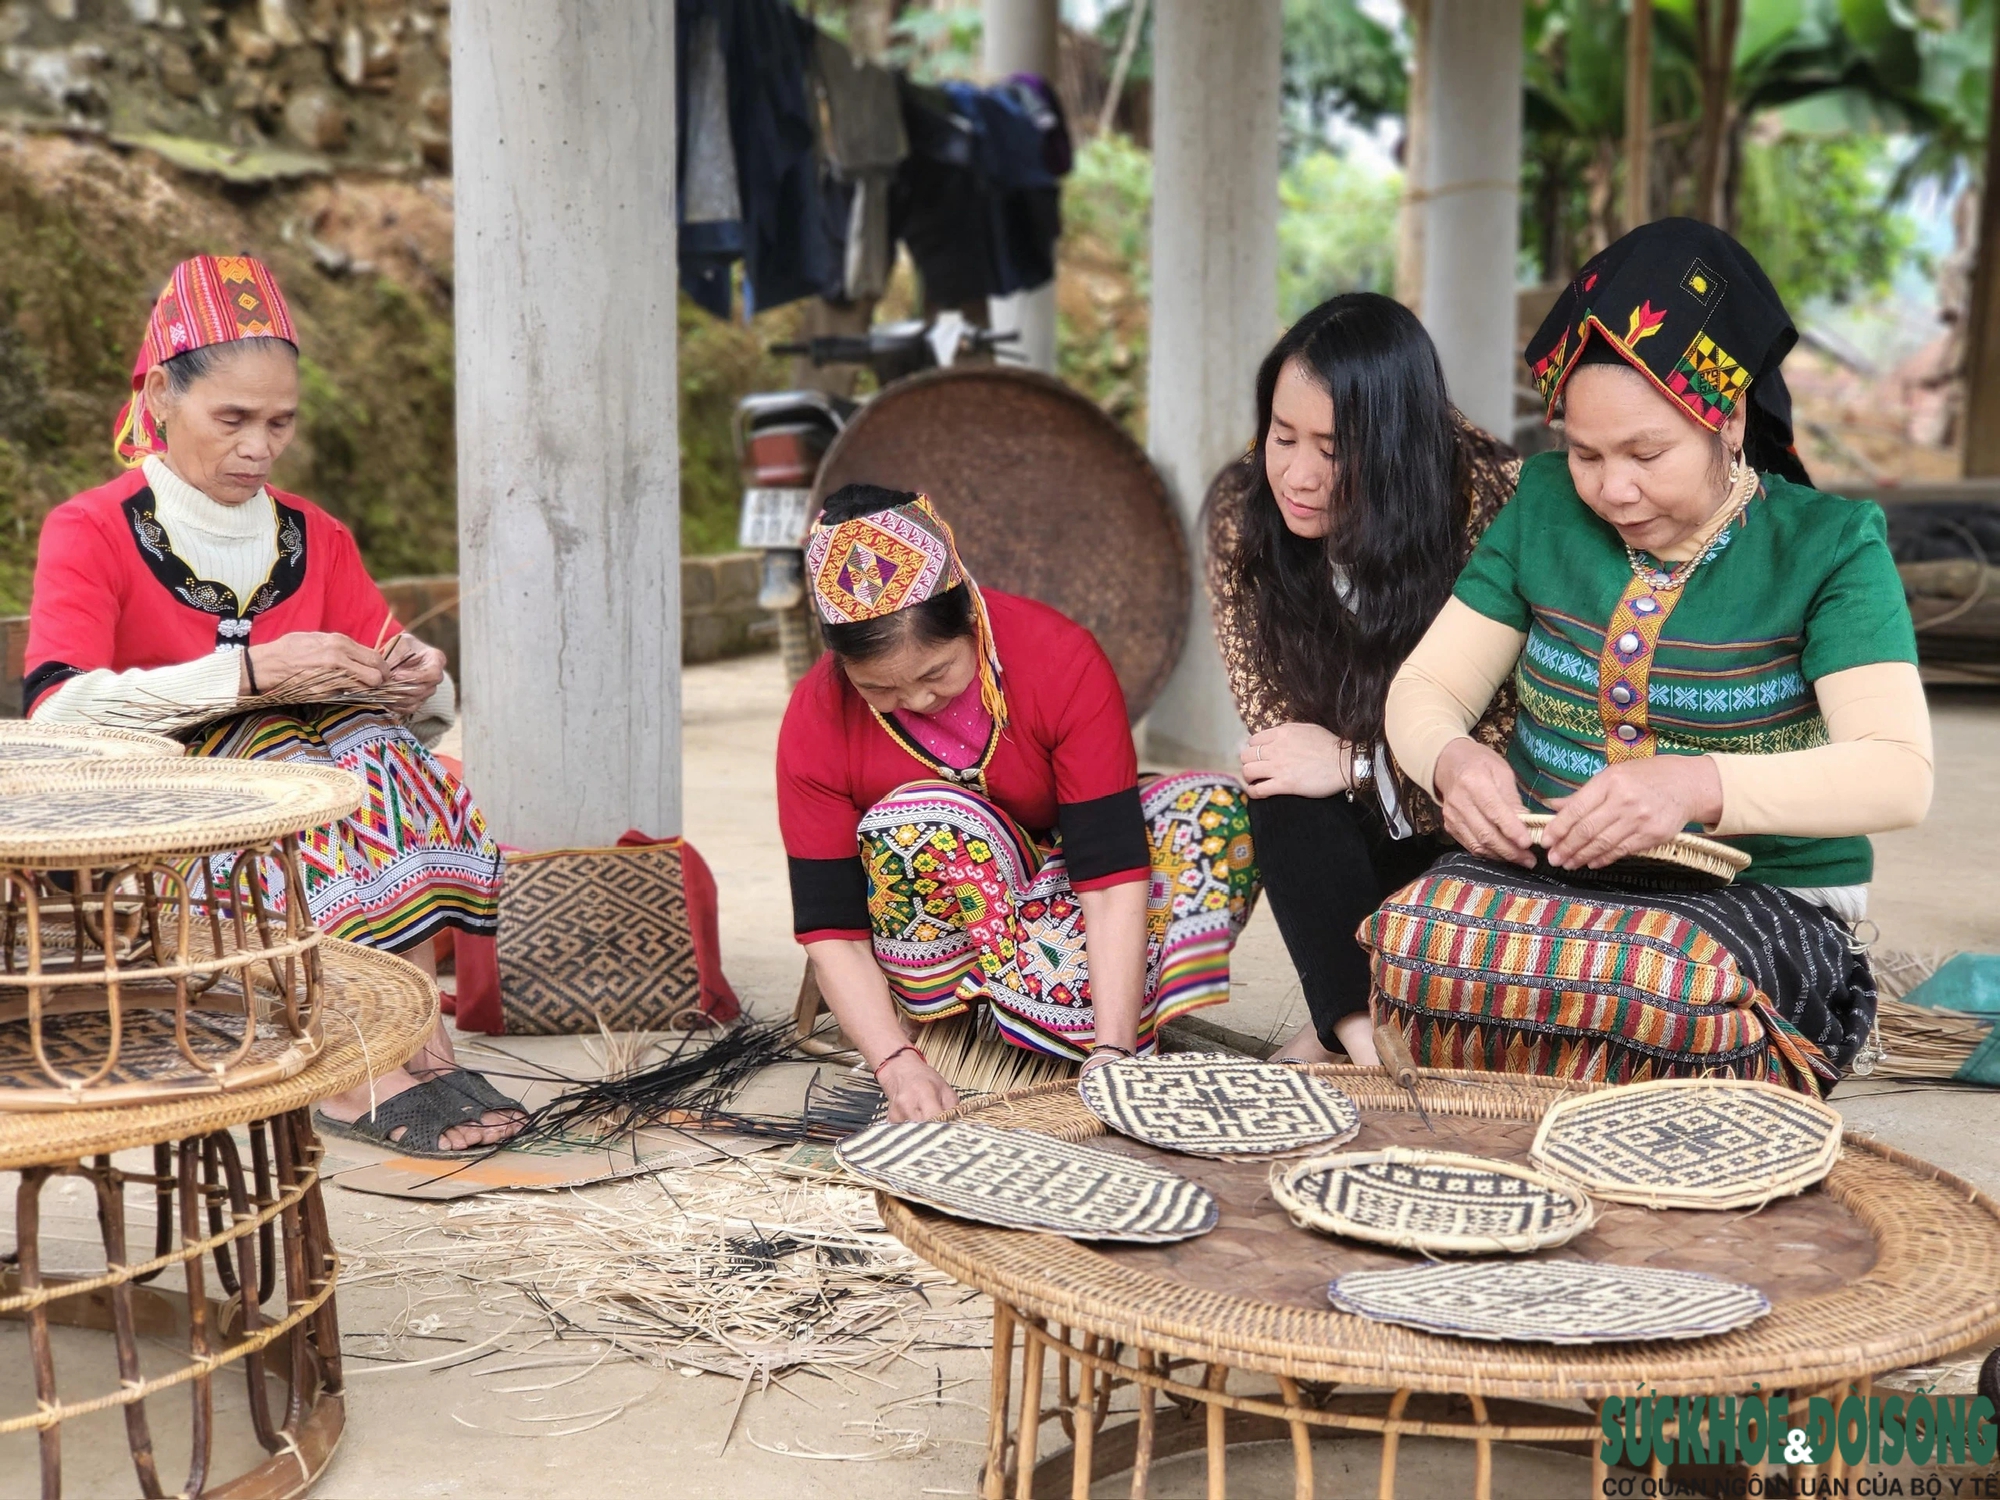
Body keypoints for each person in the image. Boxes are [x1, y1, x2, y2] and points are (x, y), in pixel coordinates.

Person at [1375, 218, 1931, 1096]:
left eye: (1647, 453)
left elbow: (1899, 776)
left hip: (1762, 894)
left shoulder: (1828, 547)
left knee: (1661, 985)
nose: (1613, 488)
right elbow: (1429, 686)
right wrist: (1450, 759)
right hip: (1555, 870)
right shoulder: (1544, 507)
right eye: (1586, 453)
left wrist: (1695, 786)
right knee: (1408, 943)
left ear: (1730, 417)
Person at [24, 253, 523, 1155]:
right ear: (162, 398)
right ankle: (353, 1053)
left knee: (375, 749)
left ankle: (408, 1029)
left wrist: (419, 675)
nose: (259, 445)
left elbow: (419, 700)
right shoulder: (92, 529)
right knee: (298, 766)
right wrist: (246, 674)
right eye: (234, 419)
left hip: (317, 803)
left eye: (281, 422)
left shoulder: (313, 535)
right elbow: (57, 715)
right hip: (167, 831)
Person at [778, 484, 1258, 1121]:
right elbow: (831, 928)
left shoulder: (1058, 659)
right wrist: (896, 1067)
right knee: (920, 822)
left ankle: (1091, 1033)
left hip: (1066, 899)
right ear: (841, 667)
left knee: (1214, 814)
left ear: (969, 618)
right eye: (880, 689)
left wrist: (1113, 1051)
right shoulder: (817, 718)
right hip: (950, 927)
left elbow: (1110, 873)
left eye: (935, 673)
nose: (916, 702)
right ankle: (958, 1033)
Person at [1206, 292, 1519, 1067]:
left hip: (1467, 828)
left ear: (1395, 446)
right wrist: (1335, 771)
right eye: (1283, 437)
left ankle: (1341, 1022)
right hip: (1350, 830)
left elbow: (1508, 741)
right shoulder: (1241, 513)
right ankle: (1362, 1038)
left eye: (1334, 449)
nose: (1299, 476)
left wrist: (1353, 762)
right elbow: (1276, 727)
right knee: (1276, 780)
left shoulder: (1491, 503)